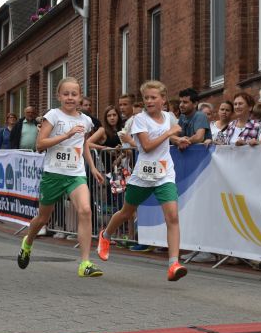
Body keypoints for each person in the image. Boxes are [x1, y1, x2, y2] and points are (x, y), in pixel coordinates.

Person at [97, 80, 187, 281]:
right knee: (126, 212)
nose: (149, 101)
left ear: (163, 99)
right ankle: (106, 235)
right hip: (143, 175)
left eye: (153, 97)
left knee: (172, 216)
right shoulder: (140, 119)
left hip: (164, 174)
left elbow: (167, 137)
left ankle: (173, 264)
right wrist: (169, 133)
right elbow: (146, 146)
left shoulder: (168, 117)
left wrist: (177, 139)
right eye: (146, 98)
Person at [16, 77, 105, 278]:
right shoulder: (53, 116)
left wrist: (92, 167)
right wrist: (66, 135)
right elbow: (40, 144)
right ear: (58, 96)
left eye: (74, 94)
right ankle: (28, 242)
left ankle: (85, 263)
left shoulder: (86, 120)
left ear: (80, 97)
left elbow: (84, 144)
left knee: (85, 210)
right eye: (66, 94)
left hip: (75, 174)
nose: (70, 98)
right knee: (43, 218)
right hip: (54, 174)